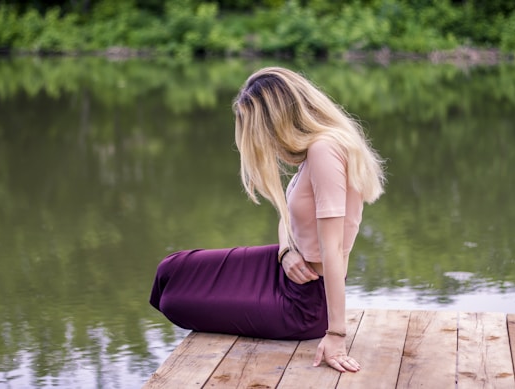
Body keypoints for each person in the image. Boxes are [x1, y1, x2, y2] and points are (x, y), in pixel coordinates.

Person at [150, 67, 385, 373]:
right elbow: (286, 215)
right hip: (284, 269)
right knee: (170, 270)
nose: (266, 142)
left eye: (262, 130)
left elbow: (333, 247)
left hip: (304, 303)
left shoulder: (324, 151)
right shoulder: (315, 149)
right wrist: (285, 252)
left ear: (279, 120)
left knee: (174, 302)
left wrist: (336, 334)